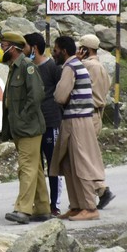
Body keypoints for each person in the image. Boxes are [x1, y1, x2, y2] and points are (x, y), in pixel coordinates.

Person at [0, 32, 51, 224]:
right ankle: (43, 208)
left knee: (26, 167)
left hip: (28, 127)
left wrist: (22, 118)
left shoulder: (27, 67)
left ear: (13, 48)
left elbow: (36, 95)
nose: (1, 50)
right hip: (20, 128)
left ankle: (23, 210)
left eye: (4, 46)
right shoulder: (14, 68)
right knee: (34, 167)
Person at [50, 36, 105, 221]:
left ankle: (90, 207)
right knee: (68, 164)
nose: (54, 53)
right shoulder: (77, 65)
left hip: (77, 121)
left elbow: (60, 95)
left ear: (64, 51)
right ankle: (76, 206)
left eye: (56, 50)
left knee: (82, 164)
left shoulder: (70, 67)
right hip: (76, 119)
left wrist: (57, 89)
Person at [23, 32, 64, 217]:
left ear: (34, 48)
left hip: (50, 122)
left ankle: (54, 204)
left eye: (25, 47)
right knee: (36, 166)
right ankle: (39, 204)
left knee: (53, 165)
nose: (23, 50)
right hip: (33, 125)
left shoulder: (53, 67)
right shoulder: (27, 68)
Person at [77, 34, 116, 210]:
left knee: (84, 157)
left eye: (80, 48)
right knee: (89, 155)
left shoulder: (86, 65)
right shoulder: (101, 67)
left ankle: (100, 189)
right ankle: (98, 190)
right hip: (97, 115)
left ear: (85, 50)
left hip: (86, 115)